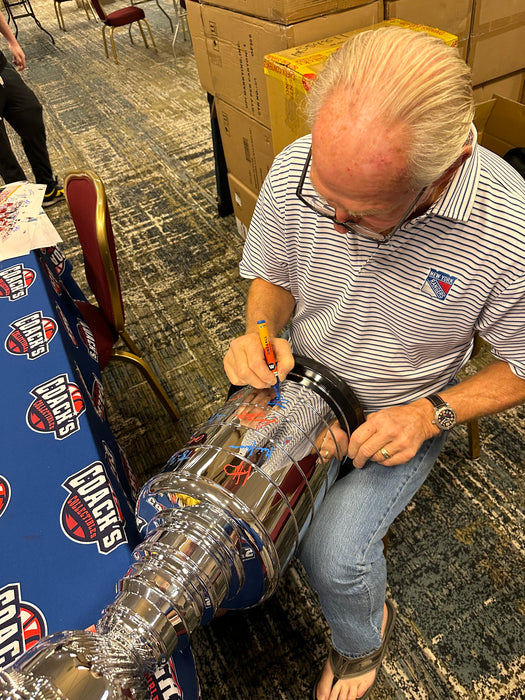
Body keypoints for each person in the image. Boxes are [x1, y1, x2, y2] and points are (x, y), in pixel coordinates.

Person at [223, 26, 525, 700]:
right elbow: (272, 276)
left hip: (401, 408)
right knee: (226, 502)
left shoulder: (508, 231)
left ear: (439, 177)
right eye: (323, 197)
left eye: (356, 214)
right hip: (299, 382)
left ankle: (360, 645)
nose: (330, 221)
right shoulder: (302, 167)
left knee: (330, 555)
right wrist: (259, 331)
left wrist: (429, 414)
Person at [0, 12, 64, 206]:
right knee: (2, 149)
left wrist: (12, 41)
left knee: (31, 113)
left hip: (1, 69)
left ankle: (47, 188)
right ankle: (24, 201)